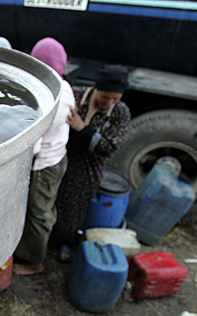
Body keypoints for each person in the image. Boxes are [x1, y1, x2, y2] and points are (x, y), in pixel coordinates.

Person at [49, 64, 131, 261]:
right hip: (61, 154)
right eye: (105, 96)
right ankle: (45, 239)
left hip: (88, 166)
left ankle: (64, 242)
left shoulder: (120, 113)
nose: (109, 102)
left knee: (75, 207)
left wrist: (82, 128)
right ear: (97, 88)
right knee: (50, 199)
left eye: (115, 99)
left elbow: (108, 147)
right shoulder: (76, 96)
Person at [12, 38, 75, 275]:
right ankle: (41, 246)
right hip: (59, 157)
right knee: (46, 209)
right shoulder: (65, 86)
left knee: (38, 212)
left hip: (44, 165)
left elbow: (34, 146)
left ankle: (34, 261)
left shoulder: (44, 97)